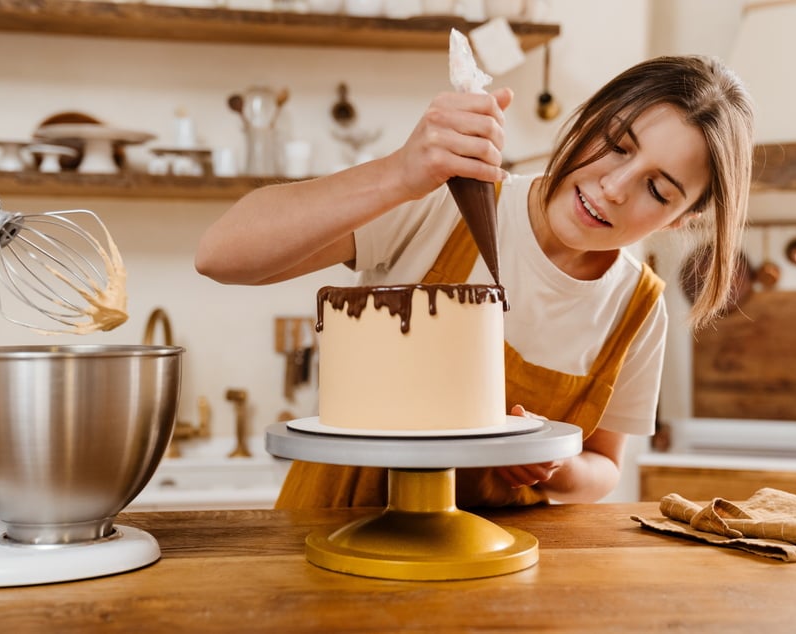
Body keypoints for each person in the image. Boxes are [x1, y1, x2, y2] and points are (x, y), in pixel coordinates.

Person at [195, 55, 754, 508]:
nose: (615, 187)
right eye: (617, 143)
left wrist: (552, 467)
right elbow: (222, 256)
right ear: (588, 118)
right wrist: (399, 172)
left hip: (502, 570)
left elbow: (605, 467)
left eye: (659, 191)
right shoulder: (440, 201)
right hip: (334, 530)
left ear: (683, 219)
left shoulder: (635, 305)